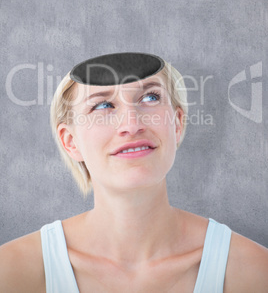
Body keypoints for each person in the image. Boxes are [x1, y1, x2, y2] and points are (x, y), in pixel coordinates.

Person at [0, 52, 267, 293]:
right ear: (70, 141)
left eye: (150, 97)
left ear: (176, 124)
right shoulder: (12, 273)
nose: (132, 124)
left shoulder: (254, 272)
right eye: (103, 105)